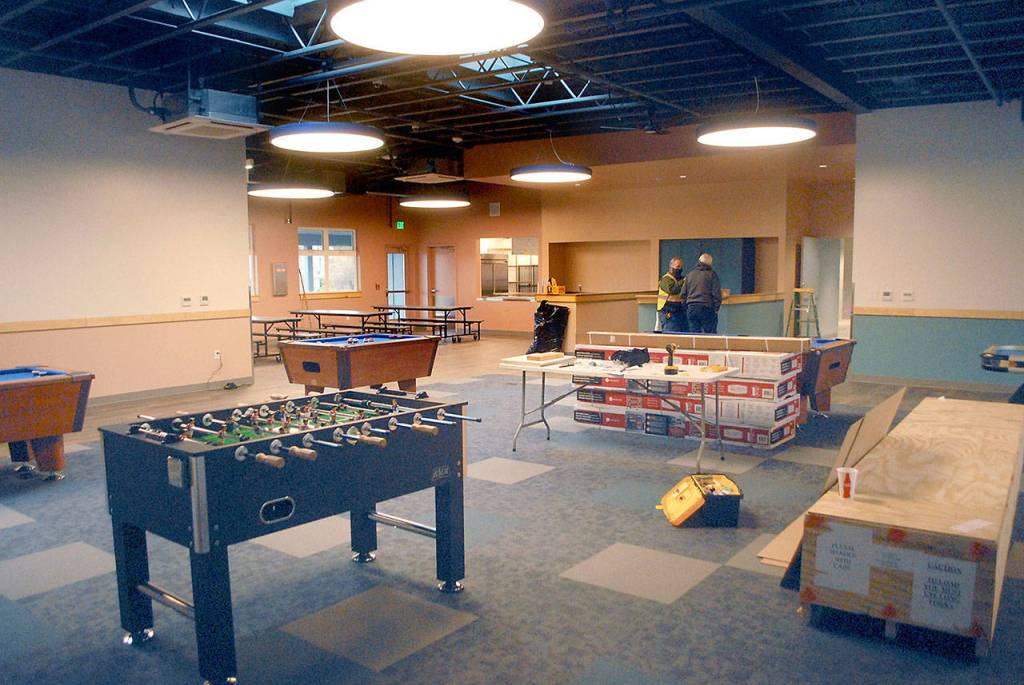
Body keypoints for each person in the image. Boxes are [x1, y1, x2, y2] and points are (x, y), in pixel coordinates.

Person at [684, 253, 722, 334]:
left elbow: (683, 294)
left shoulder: (689, 275)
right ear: (710, 264)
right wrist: (716, 308)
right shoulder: (712, 274)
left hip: (691, 308)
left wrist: (687, 307)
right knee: (710, 336)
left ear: (698, 261)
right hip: (707, 307)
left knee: (694, 336)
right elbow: (716, 293)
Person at [656, 257, 687, 332]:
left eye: (681, 267)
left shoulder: (680, 279)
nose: (679, 269)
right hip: (668, 312)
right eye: (677, 267)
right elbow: (673, 290)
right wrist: (684, 281)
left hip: (679, 312)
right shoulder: (666, 279)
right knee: (671, 336)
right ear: (671, 267)